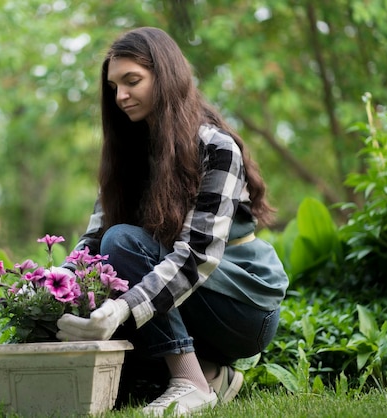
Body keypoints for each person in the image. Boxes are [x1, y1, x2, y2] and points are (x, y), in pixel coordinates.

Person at [56, 27, 289, 416]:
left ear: (165, 77)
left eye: (133, 81)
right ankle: (214, 373)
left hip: (242, 309)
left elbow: (197, 256)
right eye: (114, 86)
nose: (121, 96)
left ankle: (190, 381)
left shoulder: (215, 147)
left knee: (123, 244)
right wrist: (53, 286)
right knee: (108, 273)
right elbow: (92, 240)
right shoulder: (126, 155)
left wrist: (122, 307)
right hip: (184, 299)